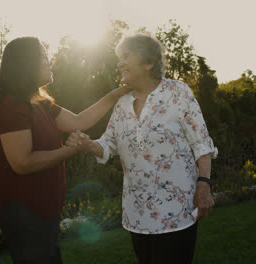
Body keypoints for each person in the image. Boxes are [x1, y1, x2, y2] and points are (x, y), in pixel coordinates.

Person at [66, 33, 218, 264]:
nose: (120, 63)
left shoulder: (177, 93)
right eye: (119, 57)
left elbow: (201, 142)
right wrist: (89, 145)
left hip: (176, 210)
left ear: (148, 63)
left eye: (126, 56)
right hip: (137, 214)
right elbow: (109, 144)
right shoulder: (122, 103)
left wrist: (204, 184)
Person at [0, 36, 131, 264]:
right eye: (43, 57)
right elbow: (23, 162)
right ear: (27, 64)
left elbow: (79, 121)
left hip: (44, 210)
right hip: (24, 213)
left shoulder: (40, 104)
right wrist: (70, 150)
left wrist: (116, 94)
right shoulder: (11, 106)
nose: (49, 61)